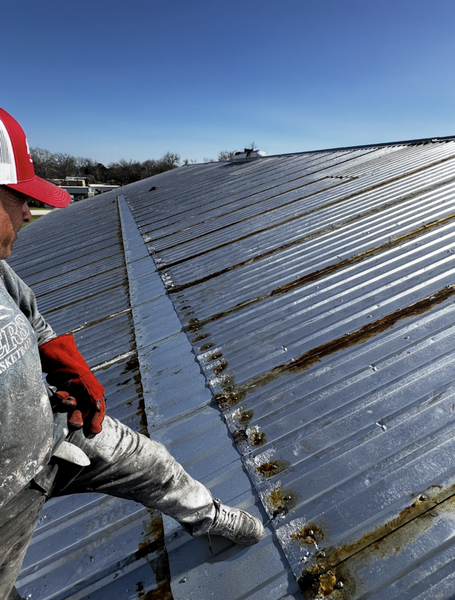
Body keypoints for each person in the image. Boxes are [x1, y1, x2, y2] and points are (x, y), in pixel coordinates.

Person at [0, 108, 264, 600]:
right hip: (5, 497)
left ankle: (207, 517)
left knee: (152, 461)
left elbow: (32, 319)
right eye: (18, 199)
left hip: (59, 433)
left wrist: (66, 367)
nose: (27, 216)